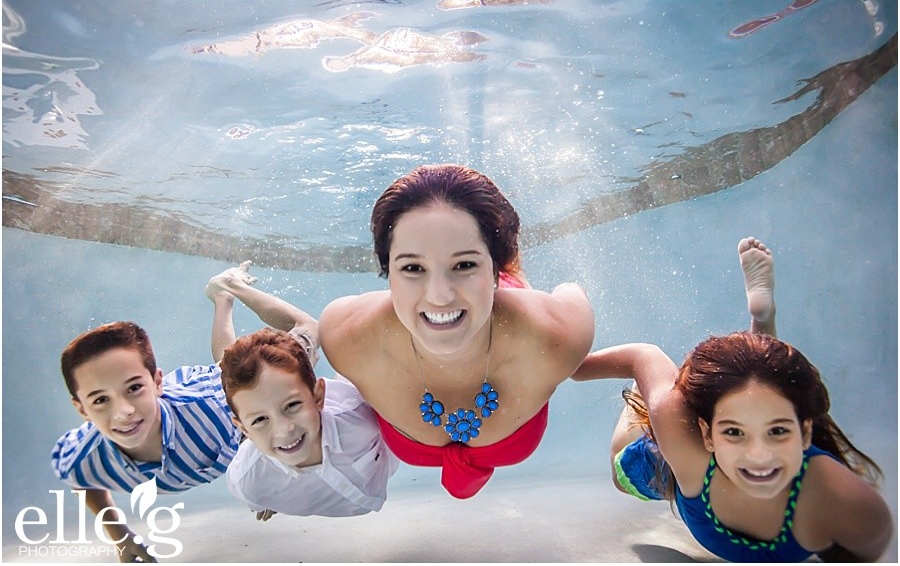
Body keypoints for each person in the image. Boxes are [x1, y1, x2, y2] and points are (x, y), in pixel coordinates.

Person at [572, 237, 893, 562]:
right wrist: (572, 368)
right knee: (620, 472)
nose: (758, 455)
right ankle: (650, 396)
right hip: (668, 457)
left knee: (764, 385)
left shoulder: (853, 508)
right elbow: (643, 355)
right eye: (735, 433)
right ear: (708, 436)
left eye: (779, 431)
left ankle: (760, 329)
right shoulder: (684, 441)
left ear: (806, 433)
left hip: (703, 431)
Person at [319, 164, 595, 499]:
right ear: (387, 274)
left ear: (494, 268)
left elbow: (571, 294)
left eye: (464, 265)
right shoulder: (346, 338)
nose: (439, 294)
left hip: (502, 308)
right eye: (412, 268)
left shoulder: (557, 336)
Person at [205, 263, 398, 519]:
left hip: (309, 391)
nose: (285, 429)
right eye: (260, 420)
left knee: (310, 328)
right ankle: (223, 296)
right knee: (229, 377)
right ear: (243, 428)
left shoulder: (358, 412)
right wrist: (268, 495)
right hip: (261, 424)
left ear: (319, 396)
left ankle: (232, 285)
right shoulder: (248, 480)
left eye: (292, 406)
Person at [51, 320, 240, 563]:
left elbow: (262, 410)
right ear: (82, 410)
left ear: (157, 382)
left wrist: (264, 472)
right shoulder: (83, 459)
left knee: (231, 363)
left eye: (134, 388)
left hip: (215, 389)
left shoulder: (212, 411)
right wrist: (120, 536)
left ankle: (224, 297)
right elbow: (80, 478)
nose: (123, 411)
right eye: (100, 400)